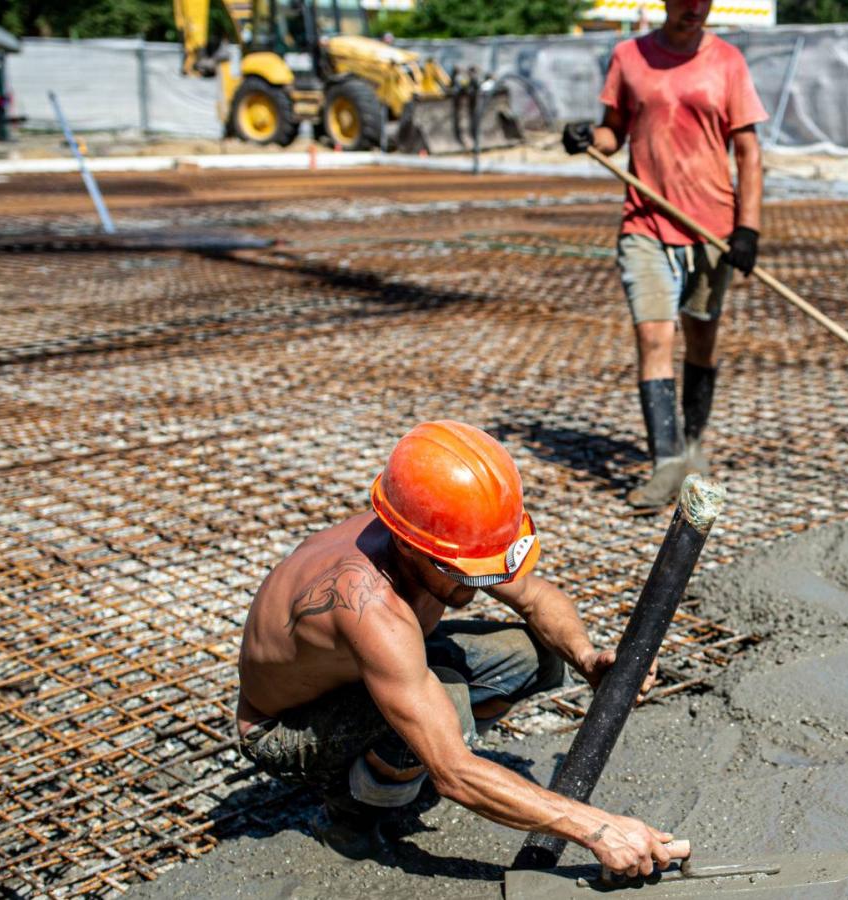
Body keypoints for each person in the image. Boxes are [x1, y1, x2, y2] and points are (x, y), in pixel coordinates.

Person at [235, 420, 683, 876]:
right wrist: (598, 829)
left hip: (374, 670)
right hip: (283, 729)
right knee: (445, 703)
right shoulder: (370, 607)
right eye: (468, 572)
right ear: (412, 548)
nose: (483, 582)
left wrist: (586, 657)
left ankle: (405, 759)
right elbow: (454, 773)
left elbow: (535, 597)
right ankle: (349, 820)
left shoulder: (442, 535)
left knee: (539, 654)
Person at [561, 0, 767, 511]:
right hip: (646, 223)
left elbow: (748, 151)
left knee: (702, 338)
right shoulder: (630, 56)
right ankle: (666, 462)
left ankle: (694, 445)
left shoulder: (727, 62)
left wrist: (748, 228)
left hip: (712, 230)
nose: (697, 8)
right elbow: (614, 131)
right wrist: (590, 138)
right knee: (654, 335)